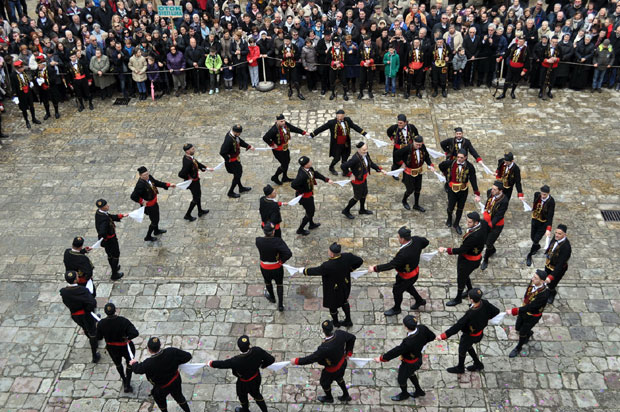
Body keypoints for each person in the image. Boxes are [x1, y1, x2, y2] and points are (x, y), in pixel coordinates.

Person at [290, 320, 356, 403]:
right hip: (342, 363)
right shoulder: (340, 333)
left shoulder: (324, 348)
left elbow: (311, 358)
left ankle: (329, 398)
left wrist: (297, 361)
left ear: (323, 331)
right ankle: (346, 395)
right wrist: (348, 352)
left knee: (324, 383)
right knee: (339, 378)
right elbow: (352, 337)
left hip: (331, 370)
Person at [436, 288, 500, 373]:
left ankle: (460, 368)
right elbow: (496, 311)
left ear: (472, 300)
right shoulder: (484, 302)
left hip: (469, 336)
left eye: (468, 296)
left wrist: (443, 335)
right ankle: (478, 364)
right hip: (479, 333)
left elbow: (458, 326)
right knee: (468, 347)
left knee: (462, 350)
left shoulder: (470, 314)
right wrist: (485, 318)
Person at [368, 226, 429, 315]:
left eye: (398, 237)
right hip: (413, 273)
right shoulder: (416, 240)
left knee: (397, 291)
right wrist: (417, 251)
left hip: (406, 277)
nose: (397, 238)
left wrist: (374, 268)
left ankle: (397, 309)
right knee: (408, 287)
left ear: (402, 239)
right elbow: (426, 242)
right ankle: (420, 300)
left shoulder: (403, 254)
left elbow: (391, 265)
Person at [374, 315, 435, 401]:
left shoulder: (408, 342)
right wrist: (421, 345)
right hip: (418, 358)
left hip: (409, 364)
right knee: (410, 373)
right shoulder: (422, 328)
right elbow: (432, 336)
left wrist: (382, 358)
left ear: (406, 327)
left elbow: (396, 351)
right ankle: (419, 391)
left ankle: (404, 394)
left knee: (401, 379)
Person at [208, 335, 275, 412]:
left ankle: (245, 410)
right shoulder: (257, 351)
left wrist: (211, 363)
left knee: (242, 397)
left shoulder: (235, 361)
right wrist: (262, 365)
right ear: (249, 344)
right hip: (255, 378)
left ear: (239, 347)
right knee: (257, 395)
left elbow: (222, 364)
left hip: (243, 383)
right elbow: (271, 359)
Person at [303, 242, 363, 327]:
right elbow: (360, 261)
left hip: (333, 291)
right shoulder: (347, 257)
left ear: (331, 254)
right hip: (344, 286)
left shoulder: (327, 265)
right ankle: (348, 320)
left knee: (333, 306)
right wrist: (350, 269)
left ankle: (336, 323)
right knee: (344, 301)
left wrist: (304, 271)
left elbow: (316, 271)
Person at [438, 211, 488, 306]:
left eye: (469, 222)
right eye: (467, 221)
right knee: (465, 275)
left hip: (468, 261)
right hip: (473, 257)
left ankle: (458, 299)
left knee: (461, 278)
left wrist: (446, 249)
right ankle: (469, 290)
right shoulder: (483, 224)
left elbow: (462, 250)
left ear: (476, 223)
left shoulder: (473, 237)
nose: (467, 223)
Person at [129, 337, 192, 412]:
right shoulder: (171, 351)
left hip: (161, 388)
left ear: (149, 349)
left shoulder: (148, 363)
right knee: (179, 397)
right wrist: (175, 362)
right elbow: (188, 356)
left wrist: (133, 363)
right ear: (160, 345)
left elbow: (137, 369)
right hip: (175, 381)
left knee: (162, 404)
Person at [505, 270, 550, 358]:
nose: (532, 279)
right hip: (524, 311)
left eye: (535, 278)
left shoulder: (543, 295)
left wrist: (514, 311)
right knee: (518, 327)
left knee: (522, 333)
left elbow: (531, 307)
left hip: (532, 316)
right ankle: (528, 333)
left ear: (541, 281)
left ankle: (518, 348)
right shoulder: (533, 282)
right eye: (533, 276)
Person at [96, 303, 139, 393]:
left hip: (112, 349)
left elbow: (99, 337)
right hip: (125, 347)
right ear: (115, 310)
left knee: (118, 364)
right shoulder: (123, 321)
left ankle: (124, 379)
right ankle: (127, 384)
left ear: (105, 312)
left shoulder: (101, 323)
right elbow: (135, 333)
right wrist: (127, 338)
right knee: (129, 364)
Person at [310, 110, 368, 175]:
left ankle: (345, 170)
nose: (340, 118)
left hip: (346, 143)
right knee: (337, 158)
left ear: (344, 116)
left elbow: (355, 127)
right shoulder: (331, 122)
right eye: (338, 116)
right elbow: (321, 128)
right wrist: (312, 134)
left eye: (341, 116)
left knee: (345, 157)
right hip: (337, 144)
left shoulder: (347, 120)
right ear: (336, 116)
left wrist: (364, 133)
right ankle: (331, 167)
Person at [60, 271, 100, 363]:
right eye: (77, 276)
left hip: (75, 315)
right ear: (75, 280)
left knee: (85, 328)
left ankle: (91, 337)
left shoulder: (64, 292)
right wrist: (88, 310)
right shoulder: (82, 290)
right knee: (92, 332)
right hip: (85, 315)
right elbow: (92, 303)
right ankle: (94, 354)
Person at [439, 149, 481, 234]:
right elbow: (441, 166)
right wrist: (446, 174)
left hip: (463, 190)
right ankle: (449, 218)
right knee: (450, 206)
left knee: (460, 208)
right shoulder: (450, 163)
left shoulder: (470, 166)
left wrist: (476, 193)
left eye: (461, 158)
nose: (459, 159)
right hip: (452, 190)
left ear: (465, 157)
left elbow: (473, 179)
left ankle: (456, 224)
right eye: (458, 157)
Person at [341, 142, 386, 218]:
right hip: (357, 181)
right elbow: (343, 166)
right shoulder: (355, 159)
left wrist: (379, 169)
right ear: (358, 150)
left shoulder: (366, 154)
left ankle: (362, 210)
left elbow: (371, 163)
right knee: (357, 197)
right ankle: (346, 210)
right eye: (364, 150)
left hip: (363, 178)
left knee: (364, 193)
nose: (366, 151)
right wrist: (350, 174)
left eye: (366, 149)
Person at [130, 166, 175, 242]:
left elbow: (156, 183)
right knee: (154, 221)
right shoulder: (140, 185)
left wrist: (168, 185)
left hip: (154, 202)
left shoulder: (149, 177)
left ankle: (156, 231)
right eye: (144, 175)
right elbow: (133, 196)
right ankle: (148, 236)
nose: (147, 176)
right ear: (140, 176)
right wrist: (142, 201)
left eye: (147, 173)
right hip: (149, 206)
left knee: (156, 217)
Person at [291, 156, 333, 235]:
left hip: (309, 194)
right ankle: (300, 229)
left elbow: (315, 174)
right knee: (310, 213)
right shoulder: (302, 176)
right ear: (305, 165)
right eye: (309, 162)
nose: (311, 162)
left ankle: (311, 224)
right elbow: (293, 185)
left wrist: (326, 179)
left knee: (310, 211)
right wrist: (302, 190)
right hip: (305, 197)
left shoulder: (309, 168)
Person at [262, 114, 309, 185]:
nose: (283, 122)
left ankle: (284, 177)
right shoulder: (273, 130)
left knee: (287, 161)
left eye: (284, 121)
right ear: (277, 121)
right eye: (281, 121)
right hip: (278, 151)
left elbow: (293, 128)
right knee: (284, 164)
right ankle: (275, 177)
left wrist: (303, 132)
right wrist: (272, 144)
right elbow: (265, 138)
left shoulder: (285, 125)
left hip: (285, 148)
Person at [255, 221, 292, 311]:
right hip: (276, 267)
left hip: (265, 267)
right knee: (279, 284)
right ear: (273, 231)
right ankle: (280, 305)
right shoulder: (278, 241)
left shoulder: (258, 241)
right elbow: (288, 253)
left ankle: (272, 297)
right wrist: (281, 261)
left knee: (268, 282)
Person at [394, 135, 435, 212]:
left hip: (419, 171)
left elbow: (426, 157)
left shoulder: (422, 147)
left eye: (420, 145)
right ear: (413, 142)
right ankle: (404, 200)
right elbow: (396, 154)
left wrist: (430, 165)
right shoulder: (407, 148)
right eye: (417, 145)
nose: (419, 146)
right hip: (409, 172)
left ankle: (416, 205)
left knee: (418, 188)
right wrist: (402, 163)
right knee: (410, 189)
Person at [219, 124, 255, 198]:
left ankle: (241, 188)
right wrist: (228, 159)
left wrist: (248, 146)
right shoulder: (229, 140)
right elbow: (222, 152)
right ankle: (230, 192)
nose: (239, 134)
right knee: (238, 175)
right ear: (235, 132)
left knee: (237, 174)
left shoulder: (234, 136)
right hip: (232, 162)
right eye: (239, 133)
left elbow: (239, 141)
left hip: (236, 160)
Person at [480, 181, 509, 271]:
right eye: (492, 188)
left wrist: (491, 224)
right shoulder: (490, 192)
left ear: (500, 191)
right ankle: (492, 249)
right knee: (485, 240)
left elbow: (499, 215)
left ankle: (485, 259)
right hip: (487, 220)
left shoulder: (504, 201)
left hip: (496, 225)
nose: (492, 190)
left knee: (488, 243)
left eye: (494, 189)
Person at [178, 143, 211, 221]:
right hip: (193, 183)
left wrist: (205, 168)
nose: (194, 150)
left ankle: (200, 211)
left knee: (198, 195)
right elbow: (181, 174)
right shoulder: (188, 162)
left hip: (196, 180)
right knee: (196, 198)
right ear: (187, 151)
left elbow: (197, 163)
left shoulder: (189, 158)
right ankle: (187, 214)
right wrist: (189, 178)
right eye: (192, 149)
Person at [94, 199, 126, 281]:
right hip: (110, 240)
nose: (107, 206)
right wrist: (106, 239)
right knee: (115, 255)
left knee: (110, 255)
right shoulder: (104, 219)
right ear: (102, 207)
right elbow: (102, 231)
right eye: (105, 205)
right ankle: (114, 274)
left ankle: (114, 267)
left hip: (107, 240)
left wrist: (120, 216)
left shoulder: (100, 213)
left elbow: (110, 217)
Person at [526, 185, 555, 267]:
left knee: (536, 239)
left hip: (543, 223)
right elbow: (534, 204)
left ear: (548, 193)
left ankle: (530, 254)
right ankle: (537, 246)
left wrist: (548, 229)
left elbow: (550, 216)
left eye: (544, 194)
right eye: (542, 194)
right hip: (535, 219)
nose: (542, 196)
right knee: (532, 237)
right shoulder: (537, 195)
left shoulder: (551, 202)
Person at [544, 224, 571, 304]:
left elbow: (560, 265)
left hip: (558, 270)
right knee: (546, 279)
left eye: (559, 233)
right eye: (556, 232)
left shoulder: (566, 248)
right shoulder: (556, 237)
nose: (556, 235)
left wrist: (551, 276)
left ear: (564, 235)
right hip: (549, 264)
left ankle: (552, 293)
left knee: (552, 284)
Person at [386, 114, 420, 179]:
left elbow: (416, 135)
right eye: (398, 123)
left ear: (406, 122)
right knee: (397, 163)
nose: (399, 125)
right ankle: (394, 174)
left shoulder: (411, 127)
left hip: (409, 148)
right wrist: (392, 139)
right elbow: (388, 132)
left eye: (401, 123)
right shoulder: (394, 128)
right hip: (398, 149)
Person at [10, 60, 41, 129]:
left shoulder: (24, 72)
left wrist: (30, 84)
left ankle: (33, 118)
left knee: (31, 106)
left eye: (22, 67)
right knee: (24, 109)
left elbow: (26, 79)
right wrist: (15, 95)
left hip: (28, 92)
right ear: (17, 68)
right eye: (21, 68)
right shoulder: (13, 75)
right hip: (21, 94)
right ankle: (27, 121)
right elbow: (13, 86)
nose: (23, 69)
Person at [34, 55, 60, 120]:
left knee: (54, 100)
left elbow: (54, 79)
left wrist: (45, 80)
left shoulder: (50, 69)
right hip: (43, 89)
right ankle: (47, 113)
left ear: (43, 64)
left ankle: (56, 112)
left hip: (51, 87)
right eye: (38, 65)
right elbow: (34, 76)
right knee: (45, 101)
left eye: (39, 65)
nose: (38, 66)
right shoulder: (37, 70)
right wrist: (37, 80)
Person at [281, 34, 305, 100]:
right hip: (285, 65)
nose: (286, 42)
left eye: (287, 41)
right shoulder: (281, 47)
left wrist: (292, 55)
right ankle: (290, 89)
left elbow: (298, 55)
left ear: (290, 41)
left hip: (293, 65)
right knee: (288, 79)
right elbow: (279, 55)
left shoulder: (294, 46)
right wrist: (285, 56)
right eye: (285, 41)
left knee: (295, 80)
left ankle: (299, 93)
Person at [328, 36, 348, 100]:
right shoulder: (330, 49)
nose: (337, 44)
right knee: (332, 81)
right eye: (336, 42)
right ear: (333, 42)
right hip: (333, 68)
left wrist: (341, 64)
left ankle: (345, 94)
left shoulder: (343, 49)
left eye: (338, 42)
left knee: (344, 81)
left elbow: (347, 59)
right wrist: (333, 62)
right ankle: (332, 93)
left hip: (341, 68)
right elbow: (327, 60)